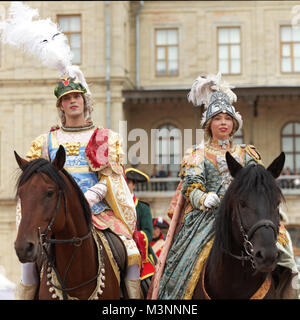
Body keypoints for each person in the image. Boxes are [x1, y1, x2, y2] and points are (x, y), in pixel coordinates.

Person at [148, 72, 299, 300]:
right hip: (208, 216)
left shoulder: (247, 154)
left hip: (248, 213)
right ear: (209, 124)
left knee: (282, 245)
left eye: (227, 119)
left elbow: (260, 184)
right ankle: (174, 296)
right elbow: (191, 187)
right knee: (184, 259)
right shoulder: (197, 155)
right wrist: (204, 198)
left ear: (234, 124)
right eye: (217, 119)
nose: (223, 123)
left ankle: (288, 289)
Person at [14, 76, 142, 300]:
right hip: (56, 214)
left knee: (131, 252)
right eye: (67, 98)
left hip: (98, 213)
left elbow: (111, 177)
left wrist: (91, 196)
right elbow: (35, 184)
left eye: (76, 97)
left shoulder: (103, 138)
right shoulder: (46, 141)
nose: (73, 101)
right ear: (60, 105)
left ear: (84, 101)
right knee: (30, 262)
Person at [125, 168, 157, 297]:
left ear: (133, 185)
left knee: (150, 285)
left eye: (127, 182)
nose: (124, 186)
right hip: (118, 249)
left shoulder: (142, 208)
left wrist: (131, 237)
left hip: (140, 254)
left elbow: (148, 233)